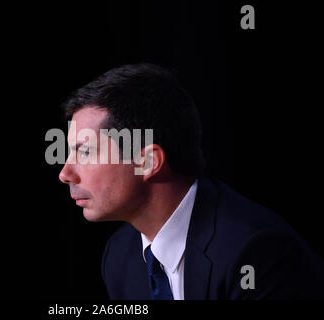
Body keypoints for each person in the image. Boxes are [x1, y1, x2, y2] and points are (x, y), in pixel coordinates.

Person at [58, 63, 324, 299]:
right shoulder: (119, 255)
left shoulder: (257, 254)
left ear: (149, 162)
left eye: (85, 152)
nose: (64, 173)